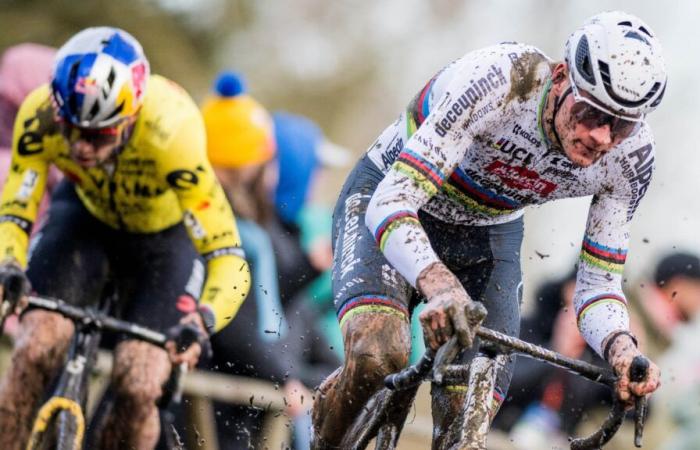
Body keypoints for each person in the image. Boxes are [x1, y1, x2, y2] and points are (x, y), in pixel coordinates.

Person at [312, 11, 666, 449]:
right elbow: (393, 199)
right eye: (591, 111)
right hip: (395, 197)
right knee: (378, 357)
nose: (601, 136)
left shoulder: (631, 158)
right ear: (559, 78)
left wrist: (621, 349)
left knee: (469, 418)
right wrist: (437, 281)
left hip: (487, 234)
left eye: (621, 124)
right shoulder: (500, 81)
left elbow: (596, 286)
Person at [0, 28, 251, 450]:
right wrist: (9, 264)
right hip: (84, 220)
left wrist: (203, 320)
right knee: (36, 346)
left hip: (162, 241)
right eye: (72, 129)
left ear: (130, 117)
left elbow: (229, 256)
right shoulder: (40, 114)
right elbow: (17, 209)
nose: (81, 147)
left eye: (97, 135)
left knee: (140, 378)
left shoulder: (172, 131)